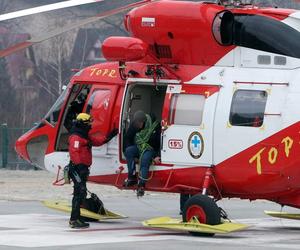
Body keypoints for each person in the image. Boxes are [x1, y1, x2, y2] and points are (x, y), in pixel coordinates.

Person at [68, 113, 117, 229]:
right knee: (79, 193)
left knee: (81, 193)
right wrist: (80, 168)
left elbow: (97, 141)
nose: (90, 125)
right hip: (77, 169)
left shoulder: (85, 135)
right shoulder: (76, 137)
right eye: (88, 123)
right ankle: (74, 220)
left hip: (82, 169)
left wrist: (109, 137)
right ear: (83, 123)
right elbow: (75, 153)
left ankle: (78, 218)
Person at [123, 110, 161, 197]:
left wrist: (157, 156)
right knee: (129, 151)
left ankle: (142, 184)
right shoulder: (135, 125)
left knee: (145, 159)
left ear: (144, 122)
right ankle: (132, 177)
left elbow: (160, 142)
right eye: (136, 123)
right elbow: (127, 138)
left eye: (140, 123)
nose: (138, 126)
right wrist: (134, 155)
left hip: (150, 148)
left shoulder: (155, 126)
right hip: (139, 147)